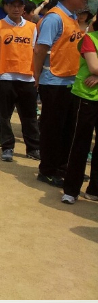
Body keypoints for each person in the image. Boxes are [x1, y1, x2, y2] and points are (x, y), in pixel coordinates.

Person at [33, 0, 96, 187]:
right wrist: (36, 77)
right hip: (54, 81)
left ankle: (63, 167)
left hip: (70, 80)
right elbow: (40, 49)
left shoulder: (72, 18)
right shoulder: (54, 18)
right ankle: (47, 170)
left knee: (68, 128)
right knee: (53, 128)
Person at [0, 0, 41, 161]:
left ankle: (33, 148)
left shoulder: (32, 27)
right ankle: (7, 147)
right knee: (4, 116)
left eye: (19, 5)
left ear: (24, 8)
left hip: (27, 78)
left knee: (30, 117)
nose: (16, 9)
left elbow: (36, 53)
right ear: (6, 7)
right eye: (12, 5)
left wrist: (37, 76)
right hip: (5, 78)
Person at [61, 19, 98, 204]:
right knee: (81, 144)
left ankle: (94, 189)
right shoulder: (90, 38)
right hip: (86, 97)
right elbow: (94, 67)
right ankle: (71, 190)